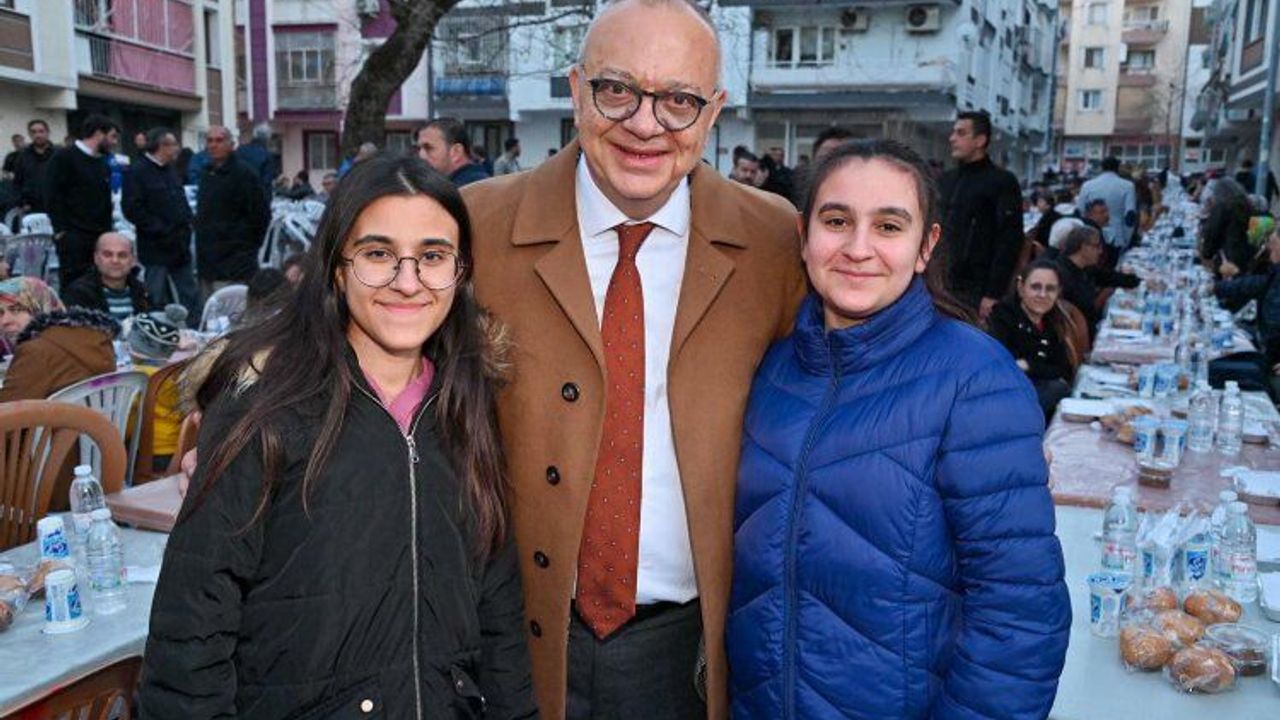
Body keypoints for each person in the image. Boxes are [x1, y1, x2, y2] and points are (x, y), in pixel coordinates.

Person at [460, 1, 806, 717]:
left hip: (691, 652)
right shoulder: (476, 226)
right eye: (617, 90)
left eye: (679, 100)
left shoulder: (777, 243)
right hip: (505, 641)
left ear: (714, 112)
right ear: (576, 88)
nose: (646, 124)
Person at [137, 153, 537, 719]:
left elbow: (498, 609)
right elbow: (192, 625)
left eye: (432, 256)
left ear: (460, 271)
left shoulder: (466, 404)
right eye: (378, 254)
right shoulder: (266, 406)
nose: (407, 282)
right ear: (337, 268)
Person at [727, 139, 1070, 719]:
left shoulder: (973, 378)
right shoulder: (773, 368)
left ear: (925, 246)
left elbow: (1019, 612)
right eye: (837, 221)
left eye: (888, 226)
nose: (858, 248)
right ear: (804, 236)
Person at [938, 110, 1025, 321]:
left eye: (961, 133)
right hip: (940, 284)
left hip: (976, 289)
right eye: (953, 132)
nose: (952, 138)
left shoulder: (1002, 182)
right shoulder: (945, 180)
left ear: (980, 140)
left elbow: (1009, 240)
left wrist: (994, 292)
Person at [122, 127, 199, 321]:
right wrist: (159, 228)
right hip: (156, 246)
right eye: (173, 144)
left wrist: (188, 221)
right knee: (154, 296)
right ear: (161, 146)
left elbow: (180, 199)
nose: (177, 149)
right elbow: (132, 208)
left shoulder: (170, 170)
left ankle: (194, 329)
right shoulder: (138, 171)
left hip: (180, 244)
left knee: (189, 295)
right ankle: (153, 328)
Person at [988, 258, 1080, 419]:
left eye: (1050, 289)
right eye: (1035, 287)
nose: (1042, 295)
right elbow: (1004, 367)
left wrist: (1028, 365)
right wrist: (1041, 369)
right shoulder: (1002, 318)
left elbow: (1062, 369)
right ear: (1021, 287)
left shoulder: (1053, 322)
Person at [0, 277, 118, 403]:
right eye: (0, 313)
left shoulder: (36, 350)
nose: (5, 321)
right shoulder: (95, 337)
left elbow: (7, 408)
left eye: (16, 310)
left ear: (40, 306)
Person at [194, 126, 269, 296]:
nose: (213, 145)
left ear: (231, 144)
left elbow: (261, 214)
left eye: (219, 140)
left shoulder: (244, 174)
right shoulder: (206, 173)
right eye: (209, 141)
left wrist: (246, 247)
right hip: (207, 261)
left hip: (235, 262)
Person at [44, 114, 118, 286]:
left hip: (99, 235)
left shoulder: (102, 162)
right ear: (99, 134)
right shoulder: (64, 157)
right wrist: (61, 231)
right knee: (75, 285)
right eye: (112, 136)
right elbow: (51, 195)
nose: (114, 142)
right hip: (73, 238)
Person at [1215, 228, 1280, 397]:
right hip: (1264, 352)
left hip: (1270, 360)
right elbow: (1251, 284)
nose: (1268, 248)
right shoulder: (1275, 274)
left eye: (1273, 244)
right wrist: (1216, 287)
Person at [1055, 225, 1140, 338]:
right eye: (1097, 246)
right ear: (1083, 247)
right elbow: (1088, 311)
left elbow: (1110, 277)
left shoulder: (1085, 267)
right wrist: (1106, 293)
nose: (1100, 251)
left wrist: (1140, 281)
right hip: (1080, 334)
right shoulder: (1063, 274)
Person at [61, 232, 152, 322]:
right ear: (96, 258)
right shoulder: (78, 294)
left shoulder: (144, 293)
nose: (115, 260)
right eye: (108, 255)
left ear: (133, 260)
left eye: (122, 255)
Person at [1076, 156, 1137, 266]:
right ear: (1118, 168)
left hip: (1091, 232)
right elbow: (1130, 215)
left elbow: (1079, 211)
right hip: (1117, 234)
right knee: (1112, 267)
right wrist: (1127, 238)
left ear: (1101, 168)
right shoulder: (1128, 186)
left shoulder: (1087, 185)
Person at [415, 118, 490, 187]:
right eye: (419, 149)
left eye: (428, 148)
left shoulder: (472, 188)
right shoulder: (475, 182)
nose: (421, 155)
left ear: (456, 152)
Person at [1201, 177, 1253, 272]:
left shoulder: (1222, 206)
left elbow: (1212, 232)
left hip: (1228, 257)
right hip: (1246, 254)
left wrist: (1206, 253)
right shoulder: (1247, 205)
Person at [11, 119, 54, 215]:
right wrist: (21, 203)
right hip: (31, 208)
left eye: (41, 131)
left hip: (57, 208)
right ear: (29, 135)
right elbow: (17, 183)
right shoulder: (23, 157)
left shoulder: (59, 154)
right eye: (33, 132)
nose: (37, 135)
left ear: (48, 133)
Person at [236, 123, 276, 198]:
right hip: (257, 196)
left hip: (238, 194)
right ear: (267, 138)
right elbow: (267, 181)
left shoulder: (240, 150)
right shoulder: (266, 155)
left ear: (254, 135)